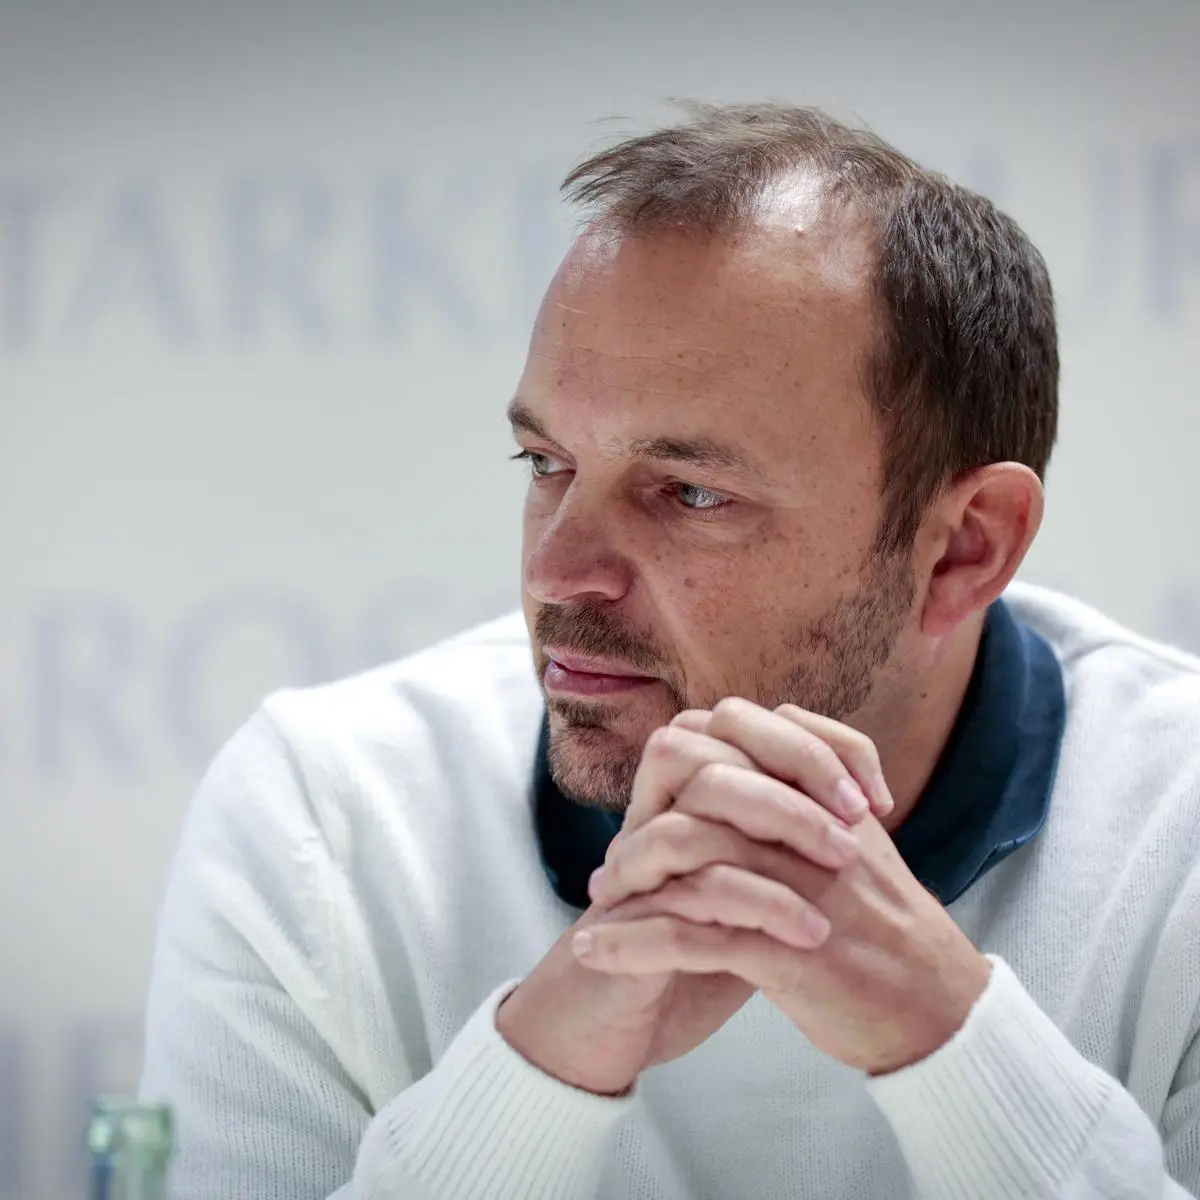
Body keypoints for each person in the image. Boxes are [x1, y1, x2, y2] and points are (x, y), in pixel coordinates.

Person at [139, 103, 1200, 1199]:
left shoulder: (1181, 824)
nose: (556, 573)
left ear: (963, 549)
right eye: (546, 463)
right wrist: (535, 1070)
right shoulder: (329, 817)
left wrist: (952, 1044)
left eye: (691, 492)